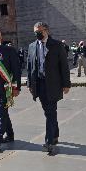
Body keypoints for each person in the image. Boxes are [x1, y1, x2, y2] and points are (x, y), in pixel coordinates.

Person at [27, 22, 70, 155]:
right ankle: (55, 133)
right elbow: (29, 66)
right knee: (48, 112)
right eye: (35, 32)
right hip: (38, 84)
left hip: (52, 84)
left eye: (39, 31)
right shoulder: (32, 46)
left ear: (46, 31)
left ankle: (49, 141)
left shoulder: (57, 45)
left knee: (50, 111)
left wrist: (66, 83)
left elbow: (64, 65)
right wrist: (29, 83)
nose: (37, 34)